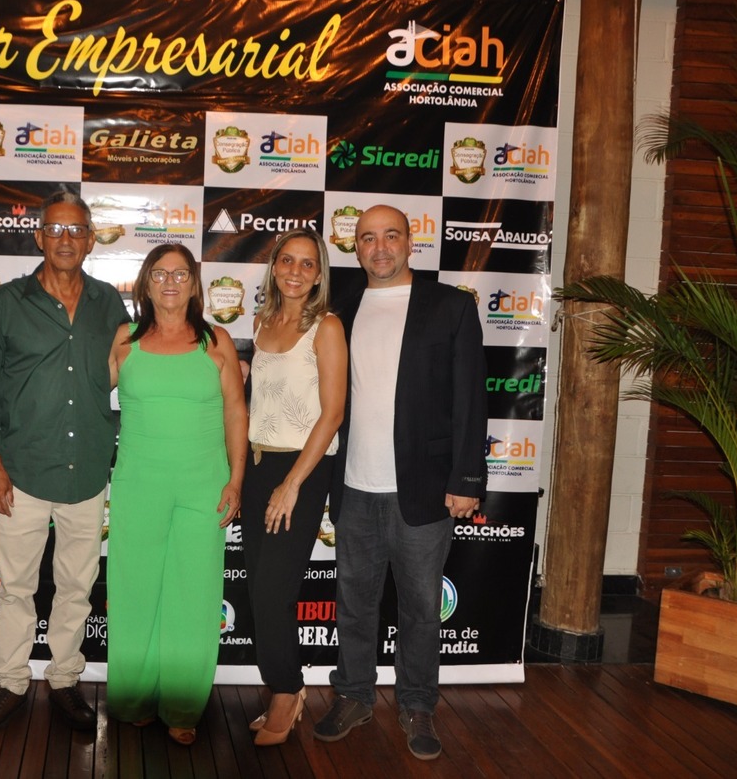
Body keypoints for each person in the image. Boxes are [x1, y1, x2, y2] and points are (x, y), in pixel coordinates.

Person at [313, 205, 487, 760]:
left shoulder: (451, 306)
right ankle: (353, 696)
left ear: (411, 242)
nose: (380, 247)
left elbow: (470, 400)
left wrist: (467, 477)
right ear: (356, 247)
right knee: (354, 605)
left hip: (426, 490)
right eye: (368, 238)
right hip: (354, 488)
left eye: (391, 236)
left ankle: (417, 705)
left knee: (420, 609)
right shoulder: (339, 309)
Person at [0, 191, 129, 733]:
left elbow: (128, 372)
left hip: (87, 468)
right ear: (39, 237)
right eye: (56, 230)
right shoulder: (6, 302)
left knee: (76, 587)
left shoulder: (109, 304)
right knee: (16, 587)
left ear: (91, 240)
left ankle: (64, 680)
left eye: (76, 230)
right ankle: (11, 682)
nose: (66, 239)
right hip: (21, 470)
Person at [105, 243, 248, 746]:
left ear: (194, 283)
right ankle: (133, 700)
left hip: (203, 485)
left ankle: (183, 706)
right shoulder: (125, 340)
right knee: (134, 590)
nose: (170, 282)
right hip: (138, 484)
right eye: (160, 274)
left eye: (181, 274)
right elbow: (81, 397)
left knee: (194, 594)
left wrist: (236, 480)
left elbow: (236, 413)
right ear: (145, 283)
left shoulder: (217, 341)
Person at [241, 229, 346, 746]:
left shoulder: (327, 327)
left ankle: (286, 691)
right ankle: (283, 684)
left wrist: (291, 484)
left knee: (272, 590)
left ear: (319, 273)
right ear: (274, 266)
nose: (296, 272)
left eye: (308, 264)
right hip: (257, 465)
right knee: (259, 589)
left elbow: (333, 414)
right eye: (288, 261)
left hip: (300, 470)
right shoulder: (260, 322)